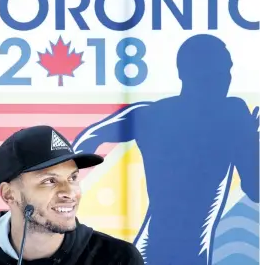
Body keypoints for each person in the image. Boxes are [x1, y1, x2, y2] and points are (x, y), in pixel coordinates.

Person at [72, 34, 259, 265]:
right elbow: (255, 187)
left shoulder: (152, 114)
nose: (224, 78)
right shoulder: (231, 114)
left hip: (166, 251)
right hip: (165, 252)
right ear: (185, 74)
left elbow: (92, 136)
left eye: (226, 70)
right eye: (214, 72)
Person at [0, 125, 144, 265]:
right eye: (49, 181)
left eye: (72, 178)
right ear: (9, 194)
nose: (69, 192)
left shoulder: (118, 258)